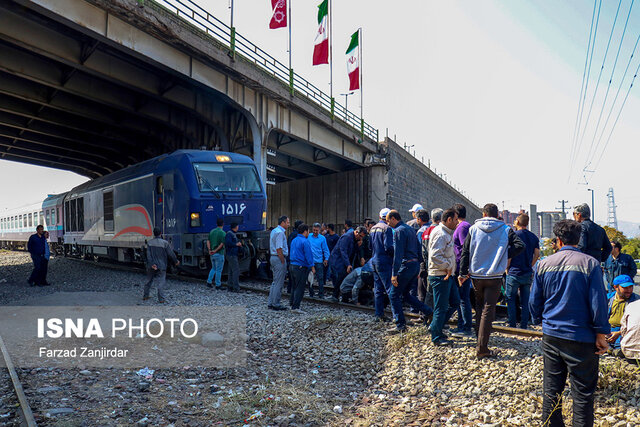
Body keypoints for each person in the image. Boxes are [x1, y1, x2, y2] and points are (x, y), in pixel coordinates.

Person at [529, 219, 609, 427]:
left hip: (552, 336)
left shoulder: (543, 264)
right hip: (582, 338)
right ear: (579, 239)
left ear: (557, 240)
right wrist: (601, 333)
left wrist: (539, 320)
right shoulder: (590, 264)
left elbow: (534, 301)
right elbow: (598, 302)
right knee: (582, 395)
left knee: (551, 391)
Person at [459, 203, 524, 358]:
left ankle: (480, 341)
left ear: (483, 214)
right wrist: (503, 255)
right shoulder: (505, 229)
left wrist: (462, 272)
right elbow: (520, 246)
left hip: (476, 275)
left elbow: (465, 252)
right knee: (489, 309)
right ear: (496, 214)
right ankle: (482, 347)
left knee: (480, 308)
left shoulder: (473, 229)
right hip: (494, 276)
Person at [387, 210, 433, 334]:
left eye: (388, 220)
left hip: (405, 265)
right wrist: (419, 266)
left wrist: (394, 274)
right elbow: (419, 248)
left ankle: (400, 324)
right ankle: (428, 311)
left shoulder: (398, 231)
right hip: (414, 265)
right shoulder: (410, 229)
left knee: (393, 294)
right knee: (406, 295)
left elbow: (398, 254)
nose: (387, 223)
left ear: (393, 218)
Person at [427, 208, 458, 346]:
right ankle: (436, 337)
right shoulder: (441, 234)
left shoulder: (446, 233)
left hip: (447, 275)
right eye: (456, 219)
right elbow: (435, 256)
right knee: (441, 307)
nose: (457, 222)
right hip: (440, 275)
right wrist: (447, 266)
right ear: (449, 219)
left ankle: (435, 327)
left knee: (455, 302)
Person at [505, 214, 540, 329]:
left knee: (510, 299)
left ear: (518, 222)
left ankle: (512, 324)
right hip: (527, 273)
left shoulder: (513, 235)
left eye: (515, 220)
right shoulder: (533, 237)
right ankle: (524, 325)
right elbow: (537, 254)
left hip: (514, 272)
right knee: (525, 301)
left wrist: (507, 268)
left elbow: (509, 255)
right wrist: (530, 265)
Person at [450, 203, 473, 338]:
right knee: (460, 299)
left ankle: (466, 327)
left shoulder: (463, 227)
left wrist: (464, 270)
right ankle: (461, 326)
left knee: (463, 299)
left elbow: (466, 248)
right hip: (459, 267)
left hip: (461, 269)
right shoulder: (462, 227)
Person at [328, 225, 365, 302]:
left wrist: (359, 246)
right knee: (340, 277)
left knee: (345, 277)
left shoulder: (355, 239)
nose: (361, 238)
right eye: (360, 236)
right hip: (339, 260)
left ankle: (343, 296)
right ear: (357, 232)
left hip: (346, 261)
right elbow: (343, 251)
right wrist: (348, 264)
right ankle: (335, 295)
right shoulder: (347, 237)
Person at [370, 208, 394, 322]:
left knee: (378, 289)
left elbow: (370, 246)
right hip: (384, 261)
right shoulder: (387, 229)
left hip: (374, 260)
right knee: (390, 289)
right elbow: (388, 247)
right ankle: (396, 316)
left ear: (380, 217)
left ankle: (378, 314)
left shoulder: (373, 228)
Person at [144, 227, 179, 303]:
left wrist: (152, 264)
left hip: (151, 266)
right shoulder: (165, 243)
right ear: (160, 234)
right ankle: (161, 299)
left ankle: (145, 296)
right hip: (162, 265)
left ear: (154, 233)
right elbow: (171, 254)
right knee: (161, 282)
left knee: (148, 280)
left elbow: (148, 255)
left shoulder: (149, 243)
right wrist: (176, 261)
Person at [606, 274, 639, 350]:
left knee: (621, 349)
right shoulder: (608, 298)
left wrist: (619, 333)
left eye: (631, 287)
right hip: (608, 330)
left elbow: (637, 326)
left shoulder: (636, 300)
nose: (629, 290)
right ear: (615, 287)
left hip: (626, 331)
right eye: (625, 288)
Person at [289, 223, 314, 313]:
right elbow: (308, 255)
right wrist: (312, 266)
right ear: (305, 231)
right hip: (300, 266)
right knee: (300, 287)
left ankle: (292, 304)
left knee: (294, 286)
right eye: (308, 231)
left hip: (292, 265)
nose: (309, 233)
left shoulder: (294, 240)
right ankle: (296, 307)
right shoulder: (305, 241)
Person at [267, 216, 289, 311]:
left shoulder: (274, 231)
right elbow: (279, 248)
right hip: (278, 258)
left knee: (275, 281)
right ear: (283, 223)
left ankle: (271, 302)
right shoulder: (280, 233)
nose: (289, 224)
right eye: (287, 222)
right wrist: (282, 260)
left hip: (273, 257)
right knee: (279, 282)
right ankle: (276, 303)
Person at [307, 223, 330, 298]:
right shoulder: (308, 236)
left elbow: (325, 250)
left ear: (319, 230)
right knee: (310, 278)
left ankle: (321, 294)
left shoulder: (322, 238)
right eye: (314, 230)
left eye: (316, 230)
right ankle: (311, 293)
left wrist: (326, 259)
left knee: (320, 278)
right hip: (310, 261)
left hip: (319, 261)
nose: (315, 231)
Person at [415, 209, 432, 307]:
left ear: (419, 219)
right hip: (433, 264)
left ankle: (423, 315)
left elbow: (420, 250)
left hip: (423, 264)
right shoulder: (433, 228)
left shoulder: (421, 232)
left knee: (421, 290)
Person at [206, 218, 226, 289]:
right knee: (218, 270)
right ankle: (218, 284)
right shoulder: (223, 233)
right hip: (219, 253)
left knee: (213, 268)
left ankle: (209, 282)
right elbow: (222, 244)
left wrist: (210, 250)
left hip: (212, 254)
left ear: (216, 224)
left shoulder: (212, 231)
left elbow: (208, 241)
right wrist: (216, 250)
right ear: (223, 224)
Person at [225, 222, 242, 292]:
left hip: (231, 254)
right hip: (232, 255)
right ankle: (236, 288)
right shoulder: (230, 234)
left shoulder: (231, 234)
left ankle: (230, 286)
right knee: (236, 271)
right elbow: (228, 243)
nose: (238, 227)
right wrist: (236, 244)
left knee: (231, 271)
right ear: (235, 227)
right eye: (237, 226)